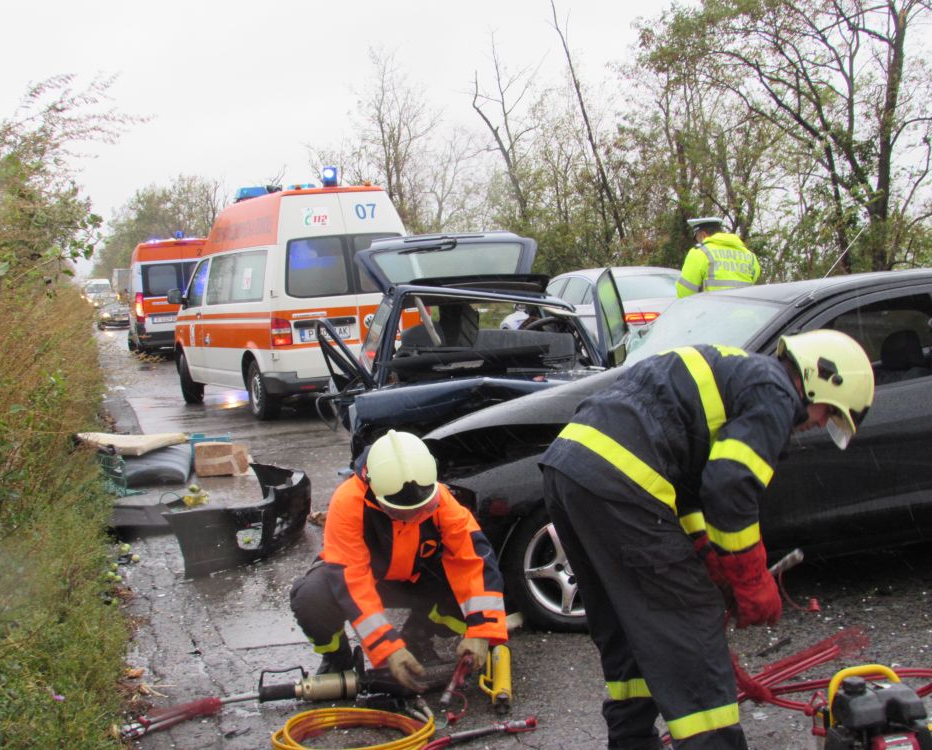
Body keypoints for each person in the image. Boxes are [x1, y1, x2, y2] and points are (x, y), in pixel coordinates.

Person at [539, 330, 874, 749]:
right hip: (622, 479)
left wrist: (708, 556)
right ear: (821, 379)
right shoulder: (776, 395)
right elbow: (730, 485)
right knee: (691, 622)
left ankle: (631, 742)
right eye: (831, 412)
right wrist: (751, 580)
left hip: (570, 471)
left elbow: (689, 485)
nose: (821, 422)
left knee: (631, 625)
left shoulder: (740, 371)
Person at [290, 430, 508, 692]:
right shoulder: (348, 503)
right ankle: (337, 657)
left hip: (416, 579)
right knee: (311, 597)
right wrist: (386, 649)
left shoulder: (441, 498)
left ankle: (418, 636)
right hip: (368, 581)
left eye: (421, 509)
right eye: (399, 512)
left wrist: (481, 631)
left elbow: (473, 558)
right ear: (374, 490)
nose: (412, 517)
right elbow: (352, 580)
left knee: (471, 599)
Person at [677, 217, 761, 298]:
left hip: (713, 310)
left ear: (703, 235)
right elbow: (753, 280)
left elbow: (685, 291)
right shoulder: (750, 255)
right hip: (743, 310)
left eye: (697, 238)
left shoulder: (700, 252)